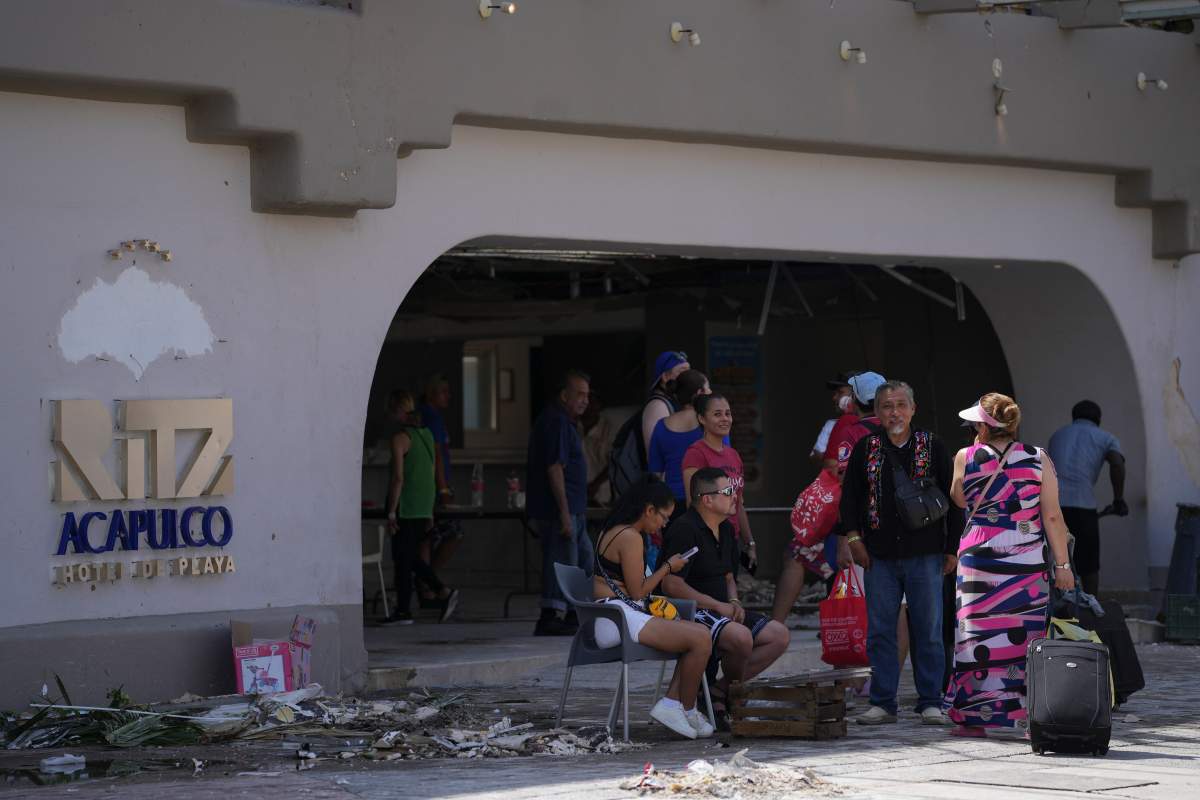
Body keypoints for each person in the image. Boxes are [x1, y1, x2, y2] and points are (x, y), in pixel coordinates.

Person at [944, 393, 1076, 737]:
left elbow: (958, 498)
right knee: (1025, 638)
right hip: (1025, 558)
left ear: (983, 426)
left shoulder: (965, 456)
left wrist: (977, 454)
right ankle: (1028, 714)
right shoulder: (1038, 458)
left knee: (974, 636)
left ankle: (974, 716)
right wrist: (1063, 565)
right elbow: (1051, 515)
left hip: (979, 557)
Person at [839, 380, 960, 725]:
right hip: (878, 556)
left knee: (929, 628)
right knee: (880, 630)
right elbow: (850, 500)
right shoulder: (866, 448)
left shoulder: (933, 445)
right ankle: (882, 702)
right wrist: (853, 540)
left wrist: (951, 549)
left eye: (901, 405)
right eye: (887, 406)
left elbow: (954, 500)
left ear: (912, 409)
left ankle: (931, 700)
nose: (895, 412)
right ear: (876, 412)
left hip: (926, 554)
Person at [660, 468, 791, 730]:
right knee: (741, 638)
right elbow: (670, 584)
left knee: (779, 635)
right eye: (728, 492)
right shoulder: (684, 529)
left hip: (722, 609)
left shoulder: (727, 531)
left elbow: (729, 576)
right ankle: (732, 697)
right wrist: (716, 605)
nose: (735, 498)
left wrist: (733, 602)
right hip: (691, 611)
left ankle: (721, 692)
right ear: (707, 499)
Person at [592, 478, 715, 739]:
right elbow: (639, 591)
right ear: (649, 510)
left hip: (611, 614)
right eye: (663, 517)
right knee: (701, 637)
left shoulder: (612, 529)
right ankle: (680, 706)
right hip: (616, 619)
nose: (663, 524)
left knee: (694, 635)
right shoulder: (630, 537)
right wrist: (668, 568)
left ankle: (680, 706)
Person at [773, 372, 884, 623]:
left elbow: (836, 470)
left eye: (842, 392)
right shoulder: (895, 428)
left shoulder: (846, 426)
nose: (836, 397)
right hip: (876, 520)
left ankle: (777, 627)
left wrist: (845, 536)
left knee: (800, 555)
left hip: (843, 516)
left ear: (854, 397)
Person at [527, 369, 594, 637]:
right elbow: (555, 468)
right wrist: (564, 513)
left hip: (575, 509)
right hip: (559, 511)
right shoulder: (555, 422)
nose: (585, 400)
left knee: (585, 559)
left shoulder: (566, 423)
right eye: (579, 394)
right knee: (563, 561)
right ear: (564, 396)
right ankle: (552, 615)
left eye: (587, 395)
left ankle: (577, 612)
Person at [383, 390, 458, 625]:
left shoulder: (400, 438)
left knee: (403, 557)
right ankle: (406, 607)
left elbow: (398, 478)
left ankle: (438, 592)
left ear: (398, 412)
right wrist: (429, 511)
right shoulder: (426, 435)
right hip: (423, 507)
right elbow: (431, 472)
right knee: (407, 558)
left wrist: (392, 511)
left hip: (405, 507)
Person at [1047, 400, 1128, 595]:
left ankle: (1057, 610)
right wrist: (1118, 499)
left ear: (1074, 417)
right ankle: (1092, 608)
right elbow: (1117, 463)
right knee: (1089, 565)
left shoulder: (1057, 435)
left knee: (1055, 561)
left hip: (1053, 506)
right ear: (1098, 419)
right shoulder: (1106, 438)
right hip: (1083, 507)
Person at [681, 394, 756, 567]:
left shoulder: (734, 455)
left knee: (731, 592)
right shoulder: (696, 453)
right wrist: (708, 542)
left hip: (732, 540)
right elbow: (693, 503)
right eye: (717, 414)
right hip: (709, 541)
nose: (725, 419)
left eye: (727, 413)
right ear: (702, 418)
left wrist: (750, 542)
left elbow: (739, 504)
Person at [417, 373, 463, 607]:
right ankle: (428, 580)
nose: (448, 396)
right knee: (453, 532)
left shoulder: (430, 416)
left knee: (427, 538)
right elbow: (435, 454)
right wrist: (443, 488)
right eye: (443, 391)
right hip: (434, 488)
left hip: (431, 486)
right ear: (431, 393)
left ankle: (427, 582)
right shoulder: (431, 417)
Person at [647, 370, 712, 506]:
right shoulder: (712, 423)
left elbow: (655, 474)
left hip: (671, 504)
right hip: (706, 501)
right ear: (700, 393)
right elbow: (725, 465)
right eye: (708, 388)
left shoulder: (661, 426)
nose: (711, 392)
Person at [642, 350, 691, 462]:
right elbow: (656, 456)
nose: (688, 376)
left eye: (689, 370)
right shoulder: (658, 406)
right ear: (665, 377)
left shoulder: (674, 402)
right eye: (682, 371)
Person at [809, 371, 861, 467]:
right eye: (835, 393)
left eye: (840, 392)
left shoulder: (877, 422)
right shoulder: (831, 424)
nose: (834, 397)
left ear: (856, 395)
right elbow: (815, 456)